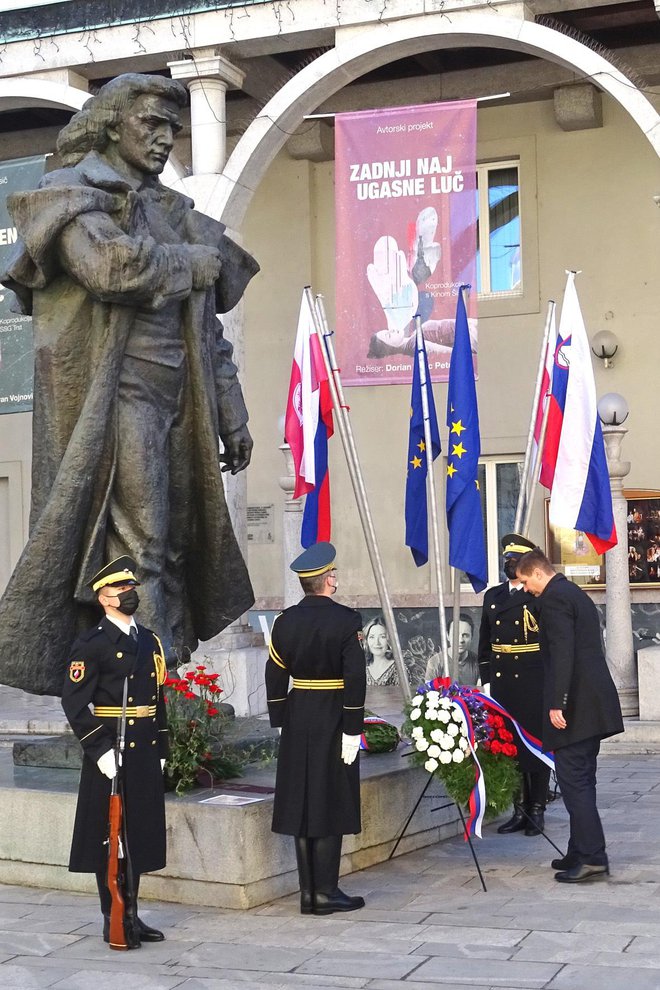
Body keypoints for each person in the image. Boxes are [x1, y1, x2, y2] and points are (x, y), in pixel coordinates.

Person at [0, 72, 259, 696]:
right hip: (116, 395)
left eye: (173, 128)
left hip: (182, 396)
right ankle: (147, 689)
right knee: (143, 541)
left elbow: (209, 335)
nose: (166, 139)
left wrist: (233, 413)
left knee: (172, 540)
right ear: (114, 123)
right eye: (152, 125)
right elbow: (110, 268)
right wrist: (190, 265)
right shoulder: (69, 194)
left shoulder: (175, 214)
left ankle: (163, 677)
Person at [61, 556, 168, 946]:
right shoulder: (90, 644)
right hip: (110, 749)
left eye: (130, 588)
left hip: (142, 750)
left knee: (136, 833)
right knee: (108, 836)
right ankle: (113, 917)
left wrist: (162, 745)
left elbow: (159, 698)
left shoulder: (149, 639)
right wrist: (100, 749)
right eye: (120, 590)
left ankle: (133, 914)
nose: (129, 594)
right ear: (104, 599)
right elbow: (74, 704)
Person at [265, 542, 367, 916]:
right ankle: (325, 890)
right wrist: (353, 728)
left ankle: (308, 892)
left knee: (302, 802)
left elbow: (274, 673)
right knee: (330, 799)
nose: (335, 578)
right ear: (327, 579)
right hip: (333, 713)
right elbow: (355, 676)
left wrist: (279, 719)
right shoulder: (347, 620)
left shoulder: (284, 621)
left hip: (297, 713)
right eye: (333, 573)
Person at [516, 548, 624, 882]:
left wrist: (557, 702)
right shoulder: (572, 592)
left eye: (524, 581)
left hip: (575, 707)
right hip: (591, 704)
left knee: (573, 781)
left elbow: (563, 653)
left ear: (537, 573)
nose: (524, 589)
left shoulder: (554, 598)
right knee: (581, 780)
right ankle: (580, 849)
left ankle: (592, 856)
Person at [477, 534, 550, 837]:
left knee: (535, 746)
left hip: (532, 679)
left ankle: (537, 809)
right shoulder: (493, 596)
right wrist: (486, 680)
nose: (509, 563)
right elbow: (484, 644)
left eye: (515, 560)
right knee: (510, 746)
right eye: (506, 559)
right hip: (503, 681)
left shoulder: (537, 596)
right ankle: (518, 808)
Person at [363, 615, 397, 685]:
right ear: (366, 640)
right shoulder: (362, 668)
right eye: (372, 637)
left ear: (389, 640)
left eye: (382, 637)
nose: (377, 642)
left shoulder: (398, 670)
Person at [449, 613, 479, 686]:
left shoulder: (478, 663)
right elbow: (429, 695)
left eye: (465, 635)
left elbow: (480, 694)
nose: (461, 640)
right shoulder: (435, 663)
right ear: (447, 636)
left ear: (471, 637)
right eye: (455, 634)